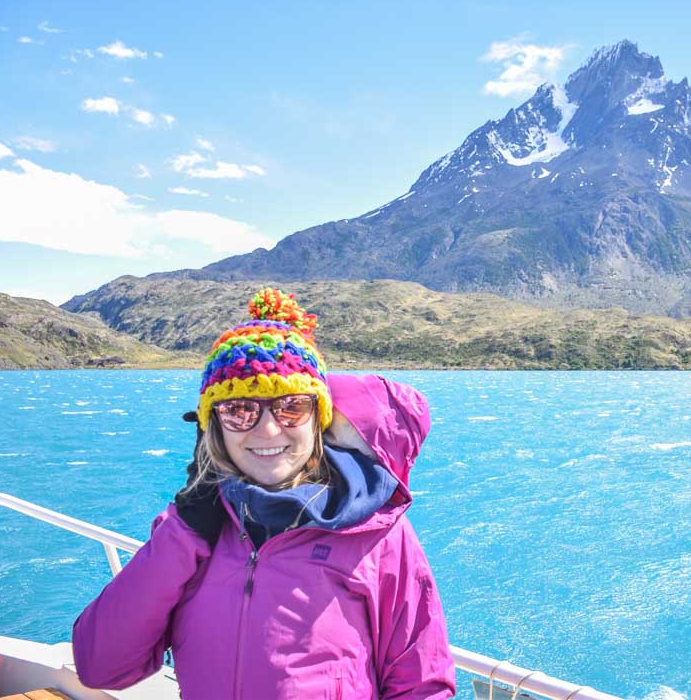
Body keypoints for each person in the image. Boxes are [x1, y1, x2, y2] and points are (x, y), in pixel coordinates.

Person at [72, 288, 456, 700]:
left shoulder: (379, 536)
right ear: (212, 425)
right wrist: (184, 532)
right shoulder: (190, 527)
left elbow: (421, 687)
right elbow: (101, 666)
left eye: (291, 407)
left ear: (318, 418)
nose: (268, 430)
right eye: (239, 410)